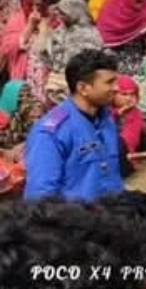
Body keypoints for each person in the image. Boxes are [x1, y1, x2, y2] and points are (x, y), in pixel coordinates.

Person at [22, 49, 123, 201]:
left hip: (113, 215)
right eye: (109, 82)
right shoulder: (51, 132)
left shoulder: (106, 118)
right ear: (83, 88)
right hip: (76, 221)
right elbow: (40, 198)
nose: (117, 88)